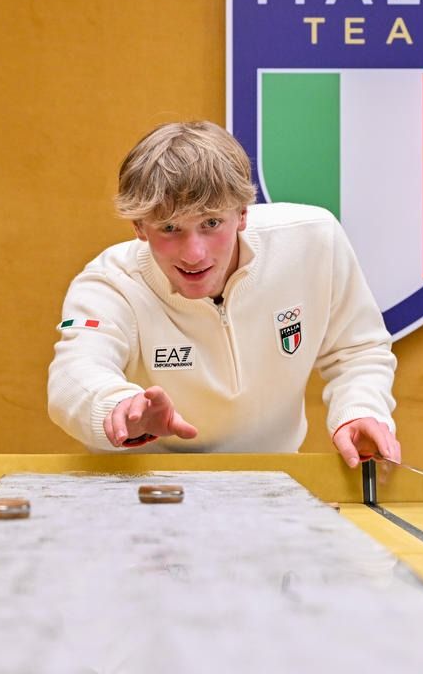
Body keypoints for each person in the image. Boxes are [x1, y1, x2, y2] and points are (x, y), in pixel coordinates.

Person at [47, 120, 400, 468]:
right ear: (139, 225)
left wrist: (360, 410)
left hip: (272, 484)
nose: (194, 254)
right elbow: (73, 374)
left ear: (242, 214)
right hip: (143, 488)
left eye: (211, 223)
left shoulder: (313, 240)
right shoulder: (110, 282)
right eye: (169, 228)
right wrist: (119, 407)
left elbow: (357, 349)